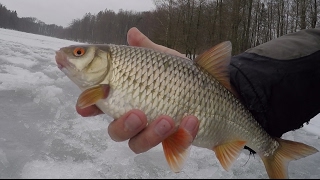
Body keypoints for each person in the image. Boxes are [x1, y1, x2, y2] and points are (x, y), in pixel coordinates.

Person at [76, 27, 320, 154]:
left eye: (80, 53)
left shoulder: (103, 83)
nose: (73, 56)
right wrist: (238, 86)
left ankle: (273, 151)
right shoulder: (99, 87)